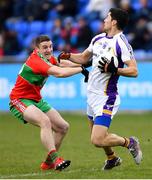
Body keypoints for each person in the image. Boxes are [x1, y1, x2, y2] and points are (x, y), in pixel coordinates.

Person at [58, 8, 143, 170]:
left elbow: (134, 71)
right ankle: (112, 158)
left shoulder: (122, 43)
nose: (104, 20)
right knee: (99, 136)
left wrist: (115, 69)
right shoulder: (98, 38)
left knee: (97, 140)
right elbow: (83, 58)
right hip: (91, 95)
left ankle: (130, 142)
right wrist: (68, 56)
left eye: (107, 17)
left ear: (114, 22)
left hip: (106, 97)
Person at [9, 35, 89, 171]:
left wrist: (84, 64)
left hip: (36, 99)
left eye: (50, 46)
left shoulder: (46, 58)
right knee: (44, 121)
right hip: (19, 99)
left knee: (62, 127)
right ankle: (56, 159)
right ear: (37, 49)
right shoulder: (36, 61)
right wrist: (81, 70)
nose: (49, 50)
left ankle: (47, 164)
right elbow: (59, 73)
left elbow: (61, 64)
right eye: (45, 47)